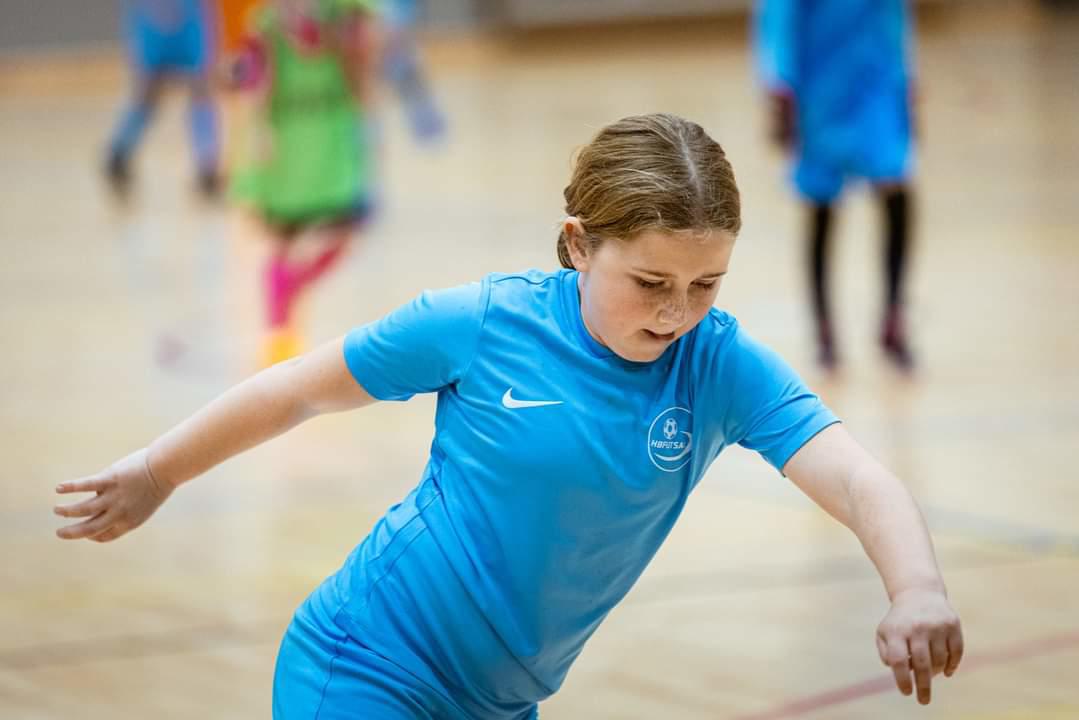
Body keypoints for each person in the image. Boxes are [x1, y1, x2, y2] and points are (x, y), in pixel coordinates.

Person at [56, 114, 962, 718]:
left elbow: (854, 476)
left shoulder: (717, 365)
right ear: (578, 244)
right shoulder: (484, 323)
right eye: (650, 281)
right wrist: (157, 470)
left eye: (704, 284)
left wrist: (916, 585)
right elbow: (297, 389)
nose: (676, 310)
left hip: (500, 703)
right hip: (366, 660)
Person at [755, 0, 918, 370]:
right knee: (821, 206)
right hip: (819, 89)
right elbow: (779, 23)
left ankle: (894, 315)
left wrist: (907, 82)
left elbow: (894, 19)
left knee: (896, 186)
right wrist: (780, 89)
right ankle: (824, 330)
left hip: (876, 83)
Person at [228, 0, 379, 365]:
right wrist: (256, 133)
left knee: (342, 236)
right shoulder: (268, 23)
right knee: (283, 240)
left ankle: (286, 293)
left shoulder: (342, 14)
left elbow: (364, 69)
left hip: (330, 141)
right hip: (289, 142)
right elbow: (252, 82)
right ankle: (278, 331)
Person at [105, 0, 221, 197]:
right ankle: (119, 153)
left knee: (200, 88)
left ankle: (207, 165)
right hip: (154, 16)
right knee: (148, 91)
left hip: (187, 17)